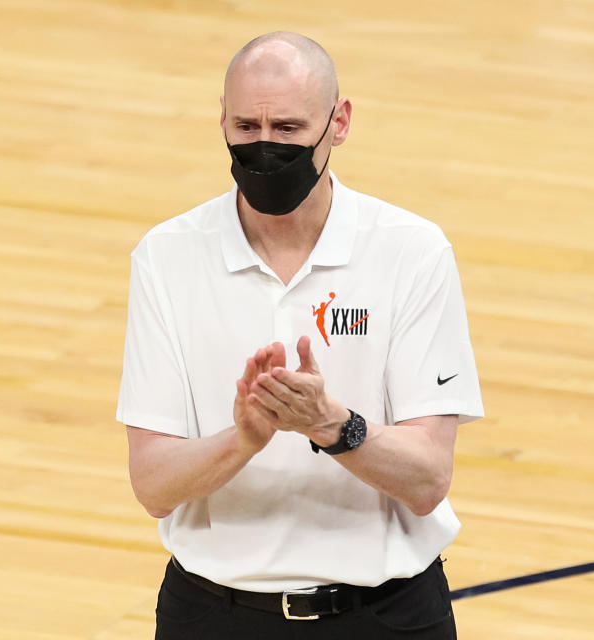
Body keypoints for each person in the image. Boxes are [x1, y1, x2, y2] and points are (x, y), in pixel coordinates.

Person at [117, 31, 484, 640]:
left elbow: (427, 480)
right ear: (222, 120)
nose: (265, 147)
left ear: (338, 123)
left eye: (287, 129)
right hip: (213, 616)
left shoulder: (411, 252)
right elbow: (153, 486)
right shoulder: (168, 257)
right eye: (246, 127)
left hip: (384, 617)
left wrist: (333, 427)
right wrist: (244, 438)